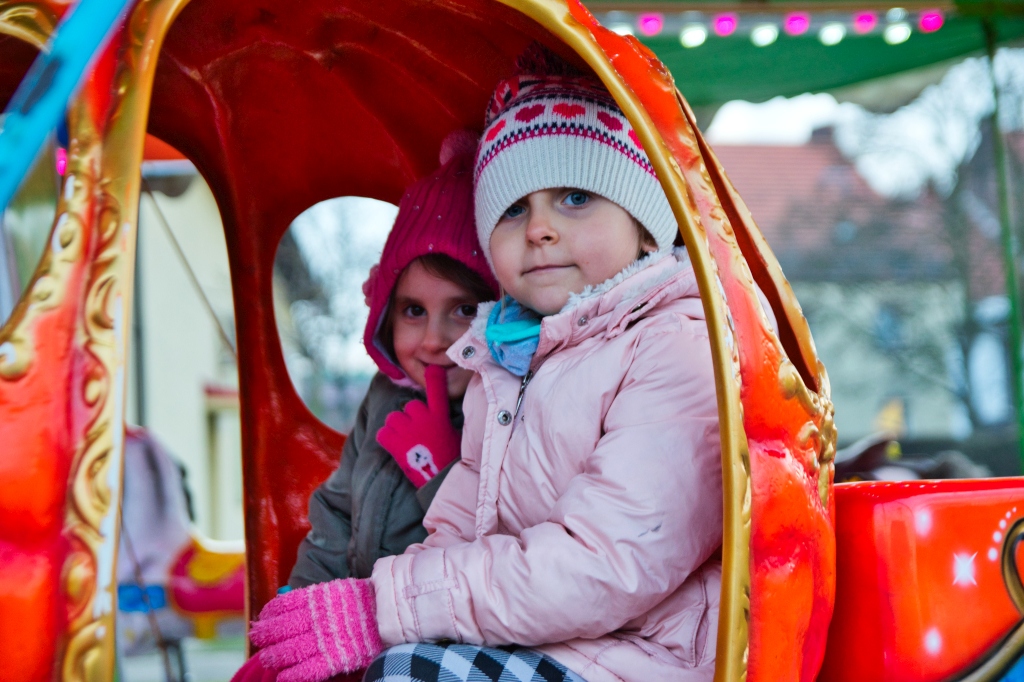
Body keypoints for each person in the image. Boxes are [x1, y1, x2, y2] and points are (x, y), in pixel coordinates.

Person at [246, 46, 723, 682]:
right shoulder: (506, 367)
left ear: (646, 228)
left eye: (575, 197)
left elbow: (608, 562)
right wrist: (315, 617)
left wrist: (386, 607)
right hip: (550, 644)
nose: (539, 229)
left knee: (410, 669)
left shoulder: (674, 346)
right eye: (513, 208)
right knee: (396, 664)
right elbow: (452, 534)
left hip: (640, 657)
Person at [287, 130, 499, 590]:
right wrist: (303, 599)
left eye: (463, 310)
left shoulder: (506, 407)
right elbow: (336, 514)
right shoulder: (384, 395)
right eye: (413, 311)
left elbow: (499, 551)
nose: (433, 339)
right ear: (385, 315)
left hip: (439, 640)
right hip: (360, 622)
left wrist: (440, 472)